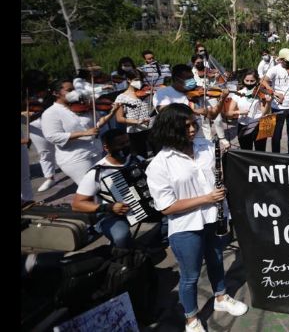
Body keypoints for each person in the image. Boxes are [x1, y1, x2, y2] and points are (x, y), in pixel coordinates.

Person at [145, 104, 248, 332]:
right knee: (190, 276)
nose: (193, 129)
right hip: (186, 226)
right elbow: (166, 207)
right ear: (170, 129)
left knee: (217, 260)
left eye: (194, 124)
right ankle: (191, 318)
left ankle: (221, 298)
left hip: (214, 218)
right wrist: (207, 198)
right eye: (186, 126)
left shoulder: (205, 146)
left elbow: (221, 171)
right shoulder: (159, 165)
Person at [41, 79, 116, 185]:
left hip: (95, 151)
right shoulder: (50, 113)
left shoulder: (82, 106)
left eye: (74, 89)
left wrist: (112, 112)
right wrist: (84, 133)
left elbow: (96, 125)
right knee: (92, 189)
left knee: (106, 187)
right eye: (69, 90)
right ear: (56, 93)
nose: (74, 92)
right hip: (76, 158)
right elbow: (52, 136)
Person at [71, 128, 138, 248]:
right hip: (112, 214)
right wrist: (109, 207)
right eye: (121, 144)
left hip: (143, 208)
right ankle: (121, 254)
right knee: (121, 236)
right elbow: (77, 204)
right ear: (107, 148)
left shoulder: (137, 160)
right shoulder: (97, 172)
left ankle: (150, 245)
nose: (126, 146)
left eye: (127, 142)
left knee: (171, 219)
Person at [153, 65, 230, 147]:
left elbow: (213, 115)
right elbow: (164, 111)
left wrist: (222, 98)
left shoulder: (197, 92)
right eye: (188, 78)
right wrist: (194, 111)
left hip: (198, 140)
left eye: (192, 77)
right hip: (176, 140)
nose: (192, 81)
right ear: (176, 79)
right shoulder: (163, 93)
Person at [260, 48, 289, 154]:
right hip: (278, 107)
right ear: (281, 59)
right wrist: (274, 92)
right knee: (276, 135)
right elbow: (263, 81)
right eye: (287, 60)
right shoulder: (275, 69)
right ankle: (276, 157)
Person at [23, 70, 61, 192]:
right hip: (34, 124)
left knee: (63, 144)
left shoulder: (50, 91)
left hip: (51, 120)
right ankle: (50, 177)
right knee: (44, 151)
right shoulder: (25, 93)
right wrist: (25, 113)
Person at [226, 70, 270, 152]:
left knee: (261, 151)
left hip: (259, 125)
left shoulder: (260, 93)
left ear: (256, 80)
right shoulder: (238, 94)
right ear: (243, 80)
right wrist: (239, 112)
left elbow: (264, 112)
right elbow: (228, 113)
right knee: (246, 151)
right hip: (243, 126)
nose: (249, 83)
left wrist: (268, 103)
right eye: (247, 81)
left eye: (252, 81)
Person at [114, 70, 153, 158]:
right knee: (141, 157)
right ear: (128, 79)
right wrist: (137, 121)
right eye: (136, 79)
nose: (139, 82)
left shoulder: (146, 92)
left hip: (151, 128)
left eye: (141, 80)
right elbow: (119, 118)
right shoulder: (121, 97)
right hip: (135, 131)